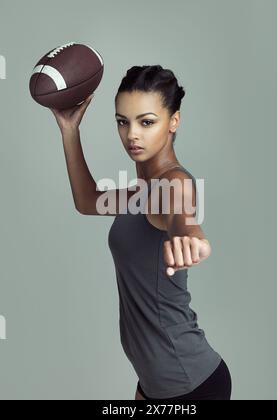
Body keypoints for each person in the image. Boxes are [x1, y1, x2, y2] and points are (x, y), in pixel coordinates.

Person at [50, 65, 232, 400]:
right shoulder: (140, 194)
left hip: (189, 384)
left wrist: (191, 239)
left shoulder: (173, 183)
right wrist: (69, 130)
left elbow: (182, 215)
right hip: (155, 382)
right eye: (123, 121)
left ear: (173, 122)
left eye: (146, 122)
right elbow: (87, 200)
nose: (132, 134)